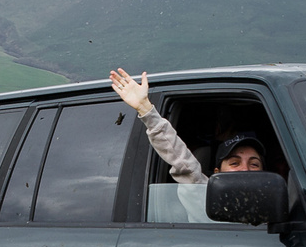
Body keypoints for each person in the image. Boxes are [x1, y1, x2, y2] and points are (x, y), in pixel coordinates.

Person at [108, 69, 269, 182]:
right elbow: (182, 160)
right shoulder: (203, 198)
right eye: (234, 163)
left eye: (254, 164)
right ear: (217, 173)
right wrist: (145, 109)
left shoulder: (279, 207)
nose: (245, 169)